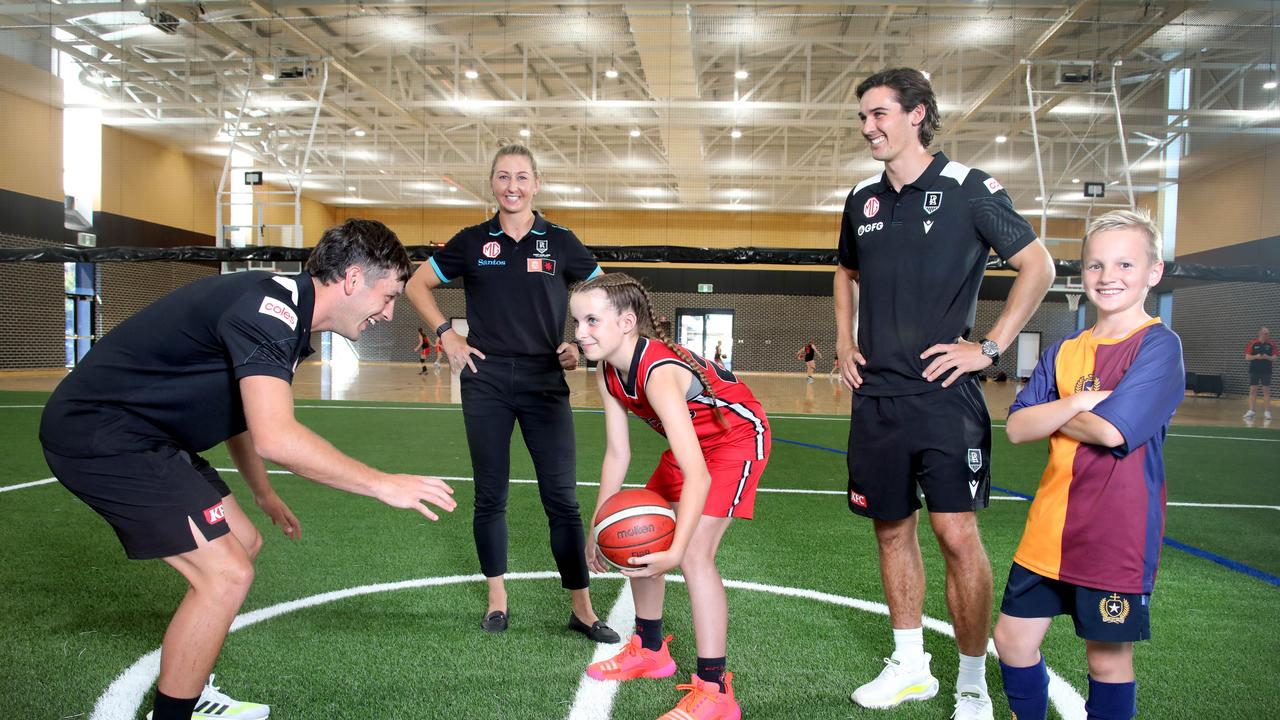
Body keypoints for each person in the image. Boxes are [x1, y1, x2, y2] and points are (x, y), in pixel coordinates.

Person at [38, 219, 457, 720]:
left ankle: (194, 689)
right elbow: (276, 436)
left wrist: (262, 494)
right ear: (351, 280)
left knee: (244, 543)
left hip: (150, 436)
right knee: (227, 576)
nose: (388, 315)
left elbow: (243, 414)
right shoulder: (269, 311)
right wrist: (383, 483)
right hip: (103, 432)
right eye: (387, 297)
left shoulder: (290, 317)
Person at [833, 68, 1055, 720]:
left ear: (917, 114)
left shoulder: (970, 191)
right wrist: (843, 342)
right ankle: (909, 667)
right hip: (877, 398)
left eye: (879, 114)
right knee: (890, 532)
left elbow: (1037, 265)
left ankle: (970, 684)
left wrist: (988, 348)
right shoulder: (862, 201)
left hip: (943, 395)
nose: (870, 127)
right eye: (863, 118)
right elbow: (844, 272)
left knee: (956, 534)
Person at [404, 143, 618, 642]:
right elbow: (417, 285)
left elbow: (606, 298)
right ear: (493, 184)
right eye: (503, 177)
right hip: (486, 380)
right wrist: (446, 334)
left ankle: (582, 609)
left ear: (536, 184)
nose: (513, 186)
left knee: (562, 500)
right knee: (491, 497)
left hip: (546, 380)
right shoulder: (474, 241)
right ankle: (497, 600)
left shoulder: (561, 242)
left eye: (522, 177)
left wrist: (583, 345)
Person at [995, 209, 1184, 720]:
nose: (1109, 277)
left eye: (1125, 264)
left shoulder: (1159, 346)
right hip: (1049, 525)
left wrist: (1050, 414)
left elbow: (1113, 431)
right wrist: (1079, 403)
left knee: (1105, 659)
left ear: (1153, 272)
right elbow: (1015, 428)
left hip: (1113, 534)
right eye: (1096, 265)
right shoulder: (1064, 350)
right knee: (1012, 639)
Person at [570, 273, 770, 720]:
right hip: (694, 447)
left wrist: (677, 550)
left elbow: (698, 475)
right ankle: (652, 650)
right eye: (576, 321)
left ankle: (716, 692)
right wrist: (596, 529)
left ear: (626, 322)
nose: (579, 332)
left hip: (735, 439)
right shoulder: (607, 370)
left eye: (590, 321)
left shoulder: (658, 372)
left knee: (696, 555)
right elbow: (617, 453)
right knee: (637, 526)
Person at [1243, 326, 1273, 421]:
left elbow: (1274, 358)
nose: (1267, 335)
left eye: (1268, 333)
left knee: (1266, 391)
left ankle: (1267, 412)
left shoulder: (1271, 344)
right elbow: (1247, 357)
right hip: (1254, 370)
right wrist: (1256, 356)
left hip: (1266, 371)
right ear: (1260, 334)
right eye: (1266, 333)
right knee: (1253, 390)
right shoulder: (1252, 343)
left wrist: (1266, 357)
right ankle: (1251, 411)